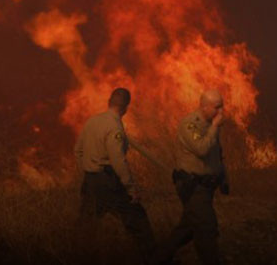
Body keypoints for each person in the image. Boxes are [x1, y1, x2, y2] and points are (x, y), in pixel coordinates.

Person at [74, 87, 156, 258]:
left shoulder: (92, 121)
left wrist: (89, 168)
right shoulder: (115, 127)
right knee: (137, 219)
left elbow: (78, 151)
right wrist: (131, 188)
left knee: (86, 224)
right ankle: (154, 259)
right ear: (126, 107)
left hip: (90, 180)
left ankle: (76, 256)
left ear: (109, 102)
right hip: (108, 181)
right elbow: (118, 161)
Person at [155, 89, 227, 264]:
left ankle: (157, 258)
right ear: (204, 107)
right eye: (217, 107)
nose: (221, 112)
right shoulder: (190, 125)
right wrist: (215, 127)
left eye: (222, 106)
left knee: (187, 228)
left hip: (207, 187)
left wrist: (224, 178)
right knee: (206, 228)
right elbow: (201, 149)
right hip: (193, 186)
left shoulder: (210, 126)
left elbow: (216, 155)